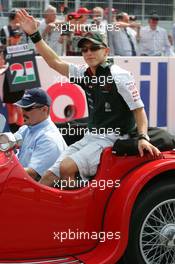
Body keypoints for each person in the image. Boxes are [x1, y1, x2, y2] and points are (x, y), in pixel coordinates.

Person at [17, 9, 160, 188]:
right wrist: (34, 35)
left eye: (94, 48)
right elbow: (54, 62)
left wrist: (143, 137)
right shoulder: (84, 73)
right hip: (91, 136)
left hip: (113, 138)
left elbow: (139, 110)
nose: (88, 53)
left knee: (66, 167)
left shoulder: (119, 75)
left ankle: (74, 214)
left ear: (106, 51)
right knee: (48, 177)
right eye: (84, 49)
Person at [14, 88, 67, 181]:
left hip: (34, 190)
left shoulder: (49, 139)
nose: (23, 112)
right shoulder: (26, 128)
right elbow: (6, 144)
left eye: (27, 108)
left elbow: (32, 174)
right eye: (22, 107)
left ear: (44, 109)